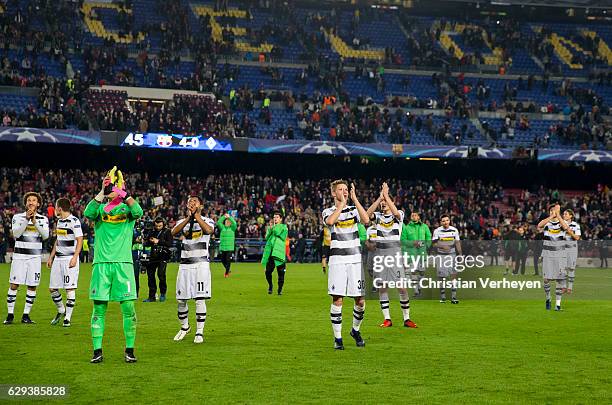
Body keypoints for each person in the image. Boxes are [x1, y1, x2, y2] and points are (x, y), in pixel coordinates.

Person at [84, 170, 143, 363]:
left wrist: (124, 194)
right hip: (101, 264)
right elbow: (88, 212)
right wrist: (102, 191)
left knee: (128, 308)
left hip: (123, 264)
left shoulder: (127, 211)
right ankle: (97, 351)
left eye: (115, 187)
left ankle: (130, 350)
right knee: (99, 309)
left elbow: (138, 212)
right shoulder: (100, 211)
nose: (112, 191)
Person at [322, 180, 369, 350]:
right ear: (334, 193)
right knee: (338, 299)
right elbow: (329, 222)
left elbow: (366, 220)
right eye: (340, 190)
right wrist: (341, 204)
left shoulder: (354, 210)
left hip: (356, 260)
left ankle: (355, 330)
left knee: (361, 300)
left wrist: (355, 199)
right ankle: (338, 338)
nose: (344, 192)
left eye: (346, 189)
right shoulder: (328, 211)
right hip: (338, 261)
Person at [367, 182, 417, 329]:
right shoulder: (377, 217)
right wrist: (379, 198)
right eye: (382, 202)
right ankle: (387, 319)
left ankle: (407, 319)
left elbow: (395, 212)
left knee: (401, 287)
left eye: (386, 201)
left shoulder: (399, 214)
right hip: (380, 255)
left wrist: (386, 194)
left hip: (394, 255)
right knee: (383, 287)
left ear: (391, 201)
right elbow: (367, 215)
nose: (383, 204)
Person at [171, 196, 215, 344]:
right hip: (184, 265)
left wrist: (196, 216)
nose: (192, 203)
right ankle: (185, 327)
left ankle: (199, 332)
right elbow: (173, 232)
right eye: (189, 201)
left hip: (201, 264)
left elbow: (209, 231)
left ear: (200, 205)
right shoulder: (181, 222)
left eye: (195, 201)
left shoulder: (207, 220)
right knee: (181, 299)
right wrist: (188, 218)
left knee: (199, 298)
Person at [5, 192, 49, 324]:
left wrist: (34, 221)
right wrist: (26, 219)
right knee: (14, 285)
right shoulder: (17, 217)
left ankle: (26, 315)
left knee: (32, 286)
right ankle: (10, 315)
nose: (31, 202)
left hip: (34, 258)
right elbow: (16, 234)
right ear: (26, 203)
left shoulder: (43, 219)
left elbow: (46, 236)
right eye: (29, 200)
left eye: (34, 200)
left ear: (38, 204)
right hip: (19, 257)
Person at [47, 198, 83, 327]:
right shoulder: (59, 221)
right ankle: (61, 310)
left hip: (69, 259)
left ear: (60, 208)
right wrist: (51, 257)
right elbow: (58, 240)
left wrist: (75, 257)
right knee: (52, 288)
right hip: (58, 259)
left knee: (69, 288)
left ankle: (67, 318)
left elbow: (80, 240)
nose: (55, 209)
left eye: (56, 207)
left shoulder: (74, 221)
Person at [537, 203, 575, 311]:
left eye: (555, 211)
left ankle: (558, 305)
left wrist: (558, 215)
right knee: (546, 279)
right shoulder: (546, 223)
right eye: (551, 211)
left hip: (560, 255)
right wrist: (551, 216)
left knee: (559, 279)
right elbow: (539, 226)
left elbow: (566, 228)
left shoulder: (562, 223)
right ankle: (548, 297)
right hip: (547, 255)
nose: (553, 212)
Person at [432, 214, 462, 304]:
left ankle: (453, 297)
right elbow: (434, 244)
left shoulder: (454, 230)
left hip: (452, 255)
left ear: (449, 221)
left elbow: (457, 243)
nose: (445, 222)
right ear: (441, 222)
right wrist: (442, 246)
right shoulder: (437, 231)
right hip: (441, 256)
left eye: (447, 220)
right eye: (443, 221)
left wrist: (460, 254)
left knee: (453, 275)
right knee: (442, 277)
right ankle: (443, 297)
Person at [401, 211, 431, 296]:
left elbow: (429, 238)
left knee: (422, 272)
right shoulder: (406, 228)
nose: (413, 216)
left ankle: (419, 286)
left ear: (418, 217)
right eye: (412, 215)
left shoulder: (424, 227)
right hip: (412, 254)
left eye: (415, 215)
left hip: (422, 254)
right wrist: (412, 243)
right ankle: (416, 291)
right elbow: (403, 240)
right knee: (413, 272)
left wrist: (426, 245)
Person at [143, 218, 173, 302]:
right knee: (150, 276)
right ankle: (151, 296)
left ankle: (163, 293)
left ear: (163, 224)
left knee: (161, 275)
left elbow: (169, 244)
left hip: (163, 256)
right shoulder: (152, 232)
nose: (158, 227)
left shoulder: (167, 232)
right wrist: (149, 241)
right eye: (156, 226)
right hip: (152, 256)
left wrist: (158, 241)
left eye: (160, 226)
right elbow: (147, 244)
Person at [262, 212, 288, 295]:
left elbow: (278, 233)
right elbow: (266, 237)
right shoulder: (271, 227)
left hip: (279, 253)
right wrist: (269, 229)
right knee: (268, 272)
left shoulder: (284, 227)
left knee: (281, 273)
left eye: (277, 217)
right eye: (274, 217)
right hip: (271, 253)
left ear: (280, 219)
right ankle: (270, 285)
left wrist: (273, 227)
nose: (275, 219)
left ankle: (280, 289)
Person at [562, 209, 581, 293]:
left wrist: (570, 232)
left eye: (566, 214)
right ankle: (563, 287)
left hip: (572, 248)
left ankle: (570, 288)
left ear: (571, 216)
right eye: (563, 214)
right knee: (562, 268)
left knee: (571, 269)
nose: (564, 215)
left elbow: (577, 237)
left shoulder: (575, 225)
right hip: (562, 248)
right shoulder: (560, 225)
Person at [217, 213, 237, 278]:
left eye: (228, 222)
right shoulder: (222, 228)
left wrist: (229, 217)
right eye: (226, 221)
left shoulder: (232, 228)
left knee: (228, 260)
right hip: (223, 247)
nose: (227, 222)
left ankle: (226, 273)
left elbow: (235, 223)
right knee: (222, 260)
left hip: (230, 247)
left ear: (230, 223)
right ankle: (228, 269)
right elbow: (218, 222)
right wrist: (224, 217)